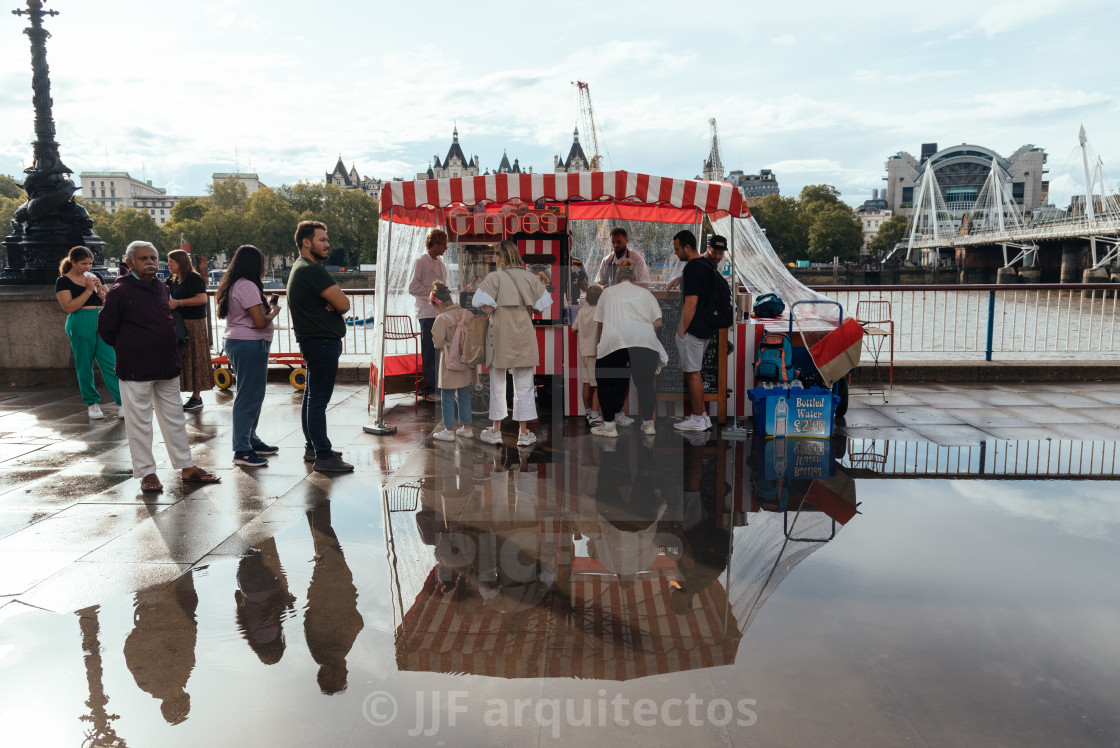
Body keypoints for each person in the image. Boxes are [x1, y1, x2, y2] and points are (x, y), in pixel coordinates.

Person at [97, 240, 221, 492]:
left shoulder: (161, 287)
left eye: (154, 258)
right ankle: (147, 473)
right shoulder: (120, 291)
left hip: (166, 364)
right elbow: (106, 330)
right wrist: (134, 346)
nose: (151, 262)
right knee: (139, 422)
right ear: (129, 263)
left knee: (175, 418)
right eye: (144, 258)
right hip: (136, 368)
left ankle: (187, 467)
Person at [287, 220, 353, 473]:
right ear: (306, 242)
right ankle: (323, 455)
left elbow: (335, 301)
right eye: (322, 240)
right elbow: (344, 304)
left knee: (311, 398)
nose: (327, 244)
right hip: (323, 342)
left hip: (313, 342)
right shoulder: (312, 270)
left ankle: (313, 448)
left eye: (327, 240)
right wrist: (335, 303)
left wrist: (331, 301)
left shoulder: (299, 267)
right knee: (317, 401)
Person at [472, 239, 550, 447]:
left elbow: (480, 303)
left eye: (496, 255)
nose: (495, 259)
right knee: (524, 384)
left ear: (503, 256)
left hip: (499, 335)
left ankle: (496, 431)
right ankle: (523, 434)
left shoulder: (495, 278)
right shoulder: (530, 278)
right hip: (524, 336)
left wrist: (494, 308)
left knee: (497, 384)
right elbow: (543, 306)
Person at [216, 245, 282, 467]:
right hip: (249, 343)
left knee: (254, 395)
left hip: (245, 342)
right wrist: (274, 310)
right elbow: (261, 321)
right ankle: (242, 450)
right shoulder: (247, 286)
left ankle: (250, 439)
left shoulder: (237, 285)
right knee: (248, 397)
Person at [591, 259, 664, 438]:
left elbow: (600, 323)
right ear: (635, 275)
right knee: (645, 383)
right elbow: (658, 322)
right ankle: (648, 424)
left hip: (614, 340)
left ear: (617, 274)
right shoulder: (645, 294)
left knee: (606, 383)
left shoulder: (607, 293)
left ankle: (609, 427)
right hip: (643, 340)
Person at [54, 245, 121, 419]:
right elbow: (69, 307)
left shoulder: (96, 276)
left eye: (90, 263)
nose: (88, 267)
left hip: (101, 318)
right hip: (80, 321)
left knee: (110, 362)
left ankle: (122, 402)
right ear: (73, 262)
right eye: (84, 264)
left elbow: (110, 301)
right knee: (84, 364)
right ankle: (92, 403)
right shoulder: (63, 281)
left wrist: (99, 290)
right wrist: (88, 290)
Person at [671, 230, 712, 432]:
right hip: (706, 327)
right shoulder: (706, 265)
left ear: (688, 247)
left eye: (677, 249)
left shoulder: (692, 269)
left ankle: (697, 417)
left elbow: (691, 302)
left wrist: (681, 329)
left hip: (693, 330)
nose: (676, 253)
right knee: (693, 371)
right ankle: (702, 415)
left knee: (693, 373)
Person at [428, 280, 476, 442]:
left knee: (447, 395)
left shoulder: (441, 319)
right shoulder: (467, 314)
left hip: (449, 363)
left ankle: (449, 430)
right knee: (464, 394)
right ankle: (466, 428)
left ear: (437, 304)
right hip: (466, 360)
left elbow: (438, 343)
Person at [166, 249, 211, 412]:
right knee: (182, 358)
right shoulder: (173, 279)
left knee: (194, 358)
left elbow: (202, 298)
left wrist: (179, 303)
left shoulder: (193, 278)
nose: (168, 264)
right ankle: (187, 393)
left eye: (171, 261)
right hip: (179, 323)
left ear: (180, 262)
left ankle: (197, 396)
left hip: (194, 324)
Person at [408, 228, 449, 403]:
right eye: (444, 244)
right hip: (427, 314)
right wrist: (434, 293)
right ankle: (429, 389)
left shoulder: (440, 263)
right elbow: (412, 287)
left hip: (440, 313)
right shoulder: (420, 261)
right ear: (435, 243)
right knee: (430, 352)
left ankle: (438, 386)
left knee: (441, 351)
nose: (446, 248)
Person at [570, 284, 603, 426]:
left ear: (587, 299)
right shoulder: (600, 313)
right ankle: (595, 416)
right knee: (597, 385)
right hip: (596, 352)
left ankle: (588, 412)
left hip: (583, 351)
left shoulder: (582, 311)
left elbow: (573, 329)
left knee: (586, 383)